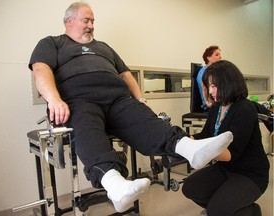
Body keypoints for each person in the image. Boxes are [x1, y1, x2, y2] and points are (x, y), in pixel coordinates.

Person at [29, 2, 233, 213]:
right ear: (69, 21)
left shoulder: (104, 47)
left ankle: (189, 149)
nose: (91, 25)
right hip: (79, 100)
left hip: (118, 99)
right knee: (84, 122)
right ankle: (115, 184)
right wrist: (54, 99)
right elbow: (40, 70)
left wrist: (139, 98)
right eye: (86, 20)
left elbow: (125, 74)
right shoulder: (53, 43)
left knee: (144, 117)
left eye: (93, 21)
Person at [182, 60, 270, 216]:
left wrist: (198, 150)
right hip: (225, 168)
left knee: (217, 210)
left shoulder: (244, 109)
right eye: (209, 86)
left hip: (250, 173)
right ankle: (227, 209)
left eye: (214, 86)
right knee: (190, 187)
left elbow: (231, 153)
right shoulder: (217, 107)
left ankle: (251, 211)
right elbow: (205, 135)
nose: (210, 91)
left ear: (228, 83)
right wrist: (183, 141)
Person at [196, 45, 222, 110]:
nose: (220, 57)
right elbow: (204, 87)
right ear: (208, 58)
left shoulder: (217, 71)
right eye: (217, 55)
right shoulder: (204, 71)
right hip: (210, 104)